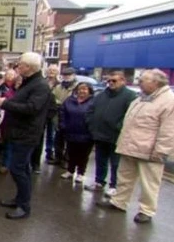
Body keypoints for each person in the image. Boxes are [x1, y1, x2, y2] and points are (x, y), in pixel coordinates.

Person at [98, 69, 174, 224]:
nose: (139, 82)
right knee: (124, 177)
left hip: (149, 151)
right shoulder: (141, 98)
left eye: (143, 79)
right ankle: (119, 202)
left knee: (149, 183)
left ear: (155, 82)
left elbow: (168, 130)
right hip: (130, 146)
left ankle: (146, 211)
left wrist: (161, 151)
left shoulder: (168, 101)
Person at [0, 52, 51, 220]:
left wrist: (4, 103)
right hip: (19, 132)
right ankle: (19, 199)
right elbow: (21, 102)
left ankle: (24, 206)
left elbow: (31, 108)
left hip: (27, 134)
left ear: (29, 67)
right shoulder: (29, 83)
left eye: (21, 64)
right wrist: (4, 101)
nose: (18, 67)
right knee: (20, 169)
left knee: (19, 169)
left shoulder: (40, 86)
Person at [85, 71, 137, 196]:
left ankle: (114, 186)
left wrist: (118, 127)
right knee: (100, 159)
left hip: (116, 136)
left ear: (123, 81)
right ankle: (99, 181)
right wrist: (92, 126)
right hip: (100, 134)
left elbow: (131, 116)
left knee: (116, 163)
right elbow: (90, 111)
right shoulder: (101, 95)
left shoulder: (130, 96)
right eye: (108, 81)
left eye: (114, 81)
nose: (111, 83)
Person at [59, 82, 95, 183]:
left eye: (84, 89)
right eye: (80, 89)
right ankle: (70, 171)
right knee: (71, 152)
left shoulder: (93, 102)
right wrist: (63, 125)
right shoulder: (69, 100)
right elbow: (62, 112)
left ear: (89, 91)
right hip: (70, 132)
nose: (82, 91)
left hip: (86, 134)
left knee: (83, 155)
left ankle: (80, 173)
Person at [51, 67, 78, 167]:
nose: (66, 77)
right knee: (58, 139)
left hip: (72, 117)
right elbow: (53, 98)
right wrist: (60, 104)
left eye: (68, 75)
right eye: (64, 75)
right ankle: (58, 158)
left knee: (69, 140)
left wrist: (63, 104)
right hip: (59, 115)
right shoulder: (58, 87)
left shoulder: (77, 87)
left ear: (73, 76)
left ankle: (67, 160)